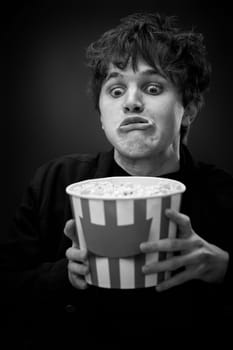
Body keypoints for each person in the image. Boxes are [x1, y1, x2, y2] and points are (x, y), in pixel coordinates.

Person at [2, 12, 233, 348]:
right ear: (101, 115)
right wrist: (61, 277)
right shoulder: (56, 182)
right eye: (115, 90)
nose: (131, 102)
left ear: (191, 107)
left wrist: (223, 269)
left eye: (153, 88)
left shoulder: (225, 195)